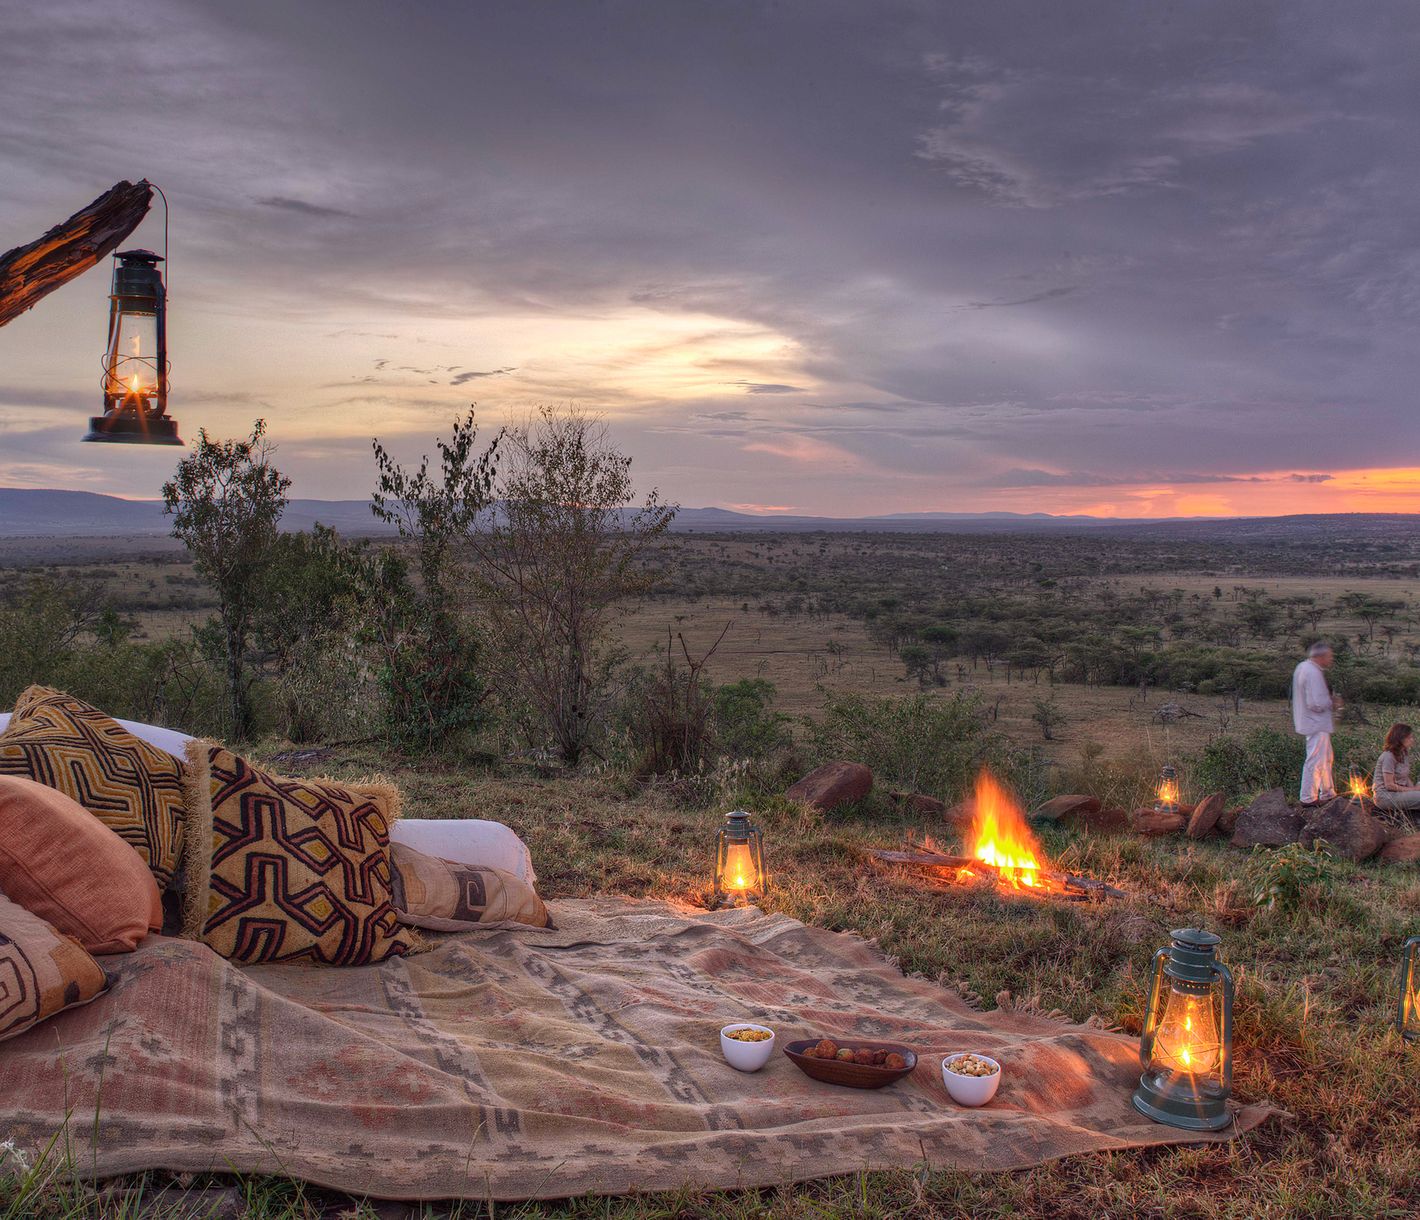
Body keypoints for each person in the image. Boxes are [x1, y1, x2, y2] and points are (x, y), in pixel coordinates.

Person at [1291, 641, 1341, 805]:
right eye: (1329, 656)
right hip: (1316, 723)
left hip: (1313, 723)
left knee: (1325, 758)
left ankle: (1327, 792)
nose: (1331, 659)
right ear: (1321, 656)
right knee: (1316, 760)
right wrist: (1332, 702)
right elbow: (1316, 703)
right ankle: (1308, 797)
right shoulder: (1312, 672)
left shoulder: (1303, 667)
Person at [1373, 723, 1420, 813]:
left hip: (1400, 792)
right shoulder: (1388, 756)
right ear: (1400, 739)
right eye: (1409, 737)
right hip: (1386, 796)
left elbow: (1405, 777)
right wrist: (1413, 790)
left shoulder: (1403, 753)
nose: (1412, 740)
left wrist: (1414, 790)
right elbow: (1389, 785)